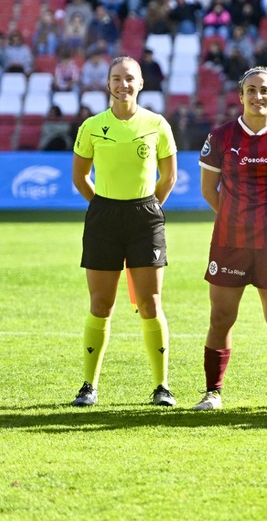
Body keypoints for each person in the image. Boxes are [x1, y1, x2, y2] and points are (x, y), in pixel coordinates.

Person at [192, 67, 267, 412]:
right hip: (230, 243)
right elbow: (207, 190)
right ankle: (213, 392)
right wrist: (235, 217)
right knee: (221, 317)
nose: (258, 97)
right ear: (240, 96)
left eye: (265, 91)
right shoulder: (221, 137)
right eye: (252, 90)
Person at [70, 56, 178, 407]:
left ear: (141, 83)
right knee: (101, 304)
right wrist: (102, 205)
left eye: (129, 78)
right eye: (116, 79)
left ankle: (162, 386)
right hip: (104, 216)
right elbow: (80, 176)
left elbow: (169, 176)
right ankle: (89, 385)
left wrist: (150, 208)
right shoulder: (91, 126)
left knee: (150, 303)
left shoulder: (157, 123)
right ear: (108, 84)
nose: (123, 85)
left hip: (145, 216)